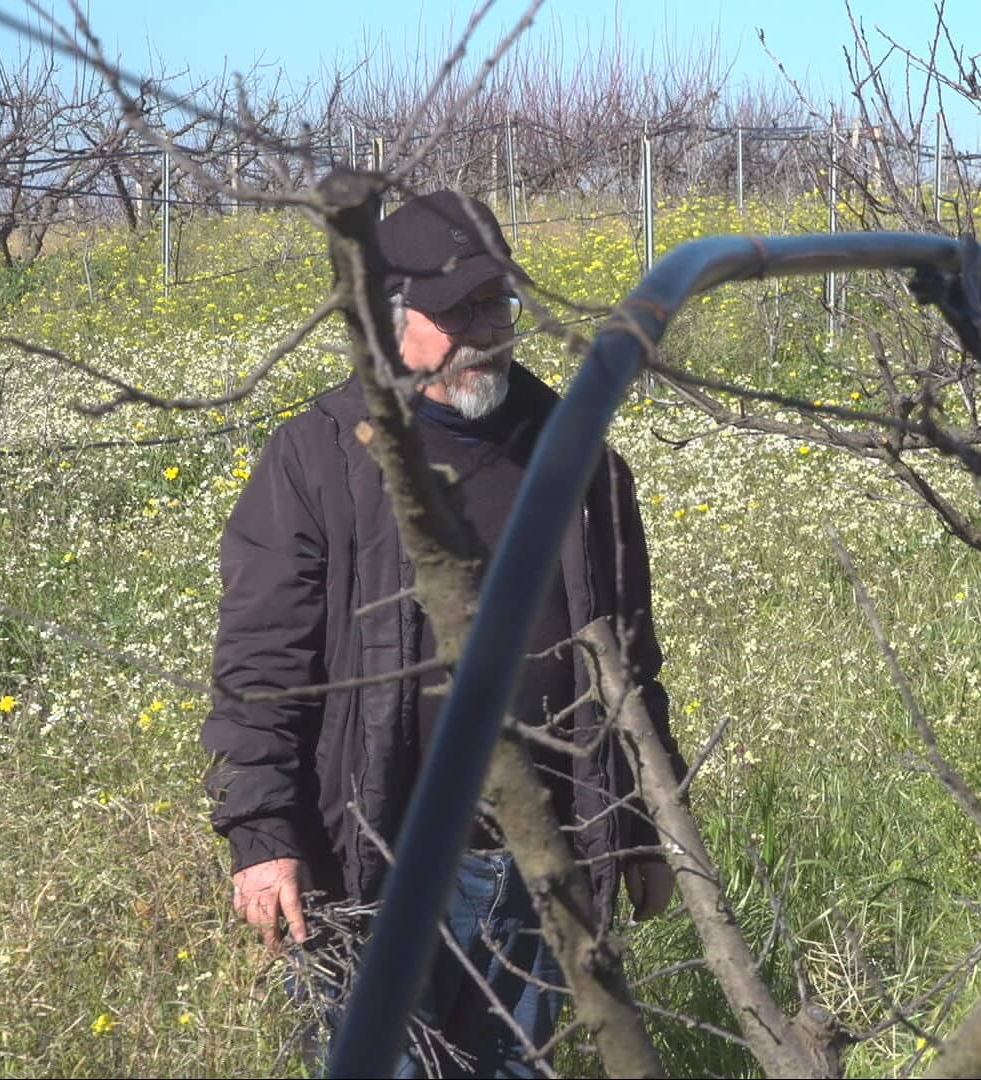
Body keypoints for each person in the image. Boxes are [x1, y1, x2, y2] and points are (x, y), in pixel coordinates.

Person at [199, 188, 683, 1077]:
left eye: (497, 302)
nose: (486, 327)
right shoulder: (319, 460)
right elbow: (261, 664)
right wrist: (263, 836)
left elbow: (630, 662)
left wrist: (644, 826)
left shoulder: (577, 458)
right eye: (458, 309)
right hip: (370, 862)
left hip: (540, 865)